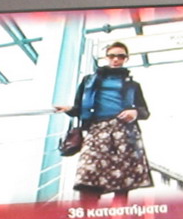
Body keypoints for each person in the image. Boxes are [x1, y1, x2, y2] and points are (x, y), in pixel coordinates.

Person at [56, 42, 153, 207]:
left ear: (126, 59)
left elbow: (145, 112)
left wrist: (135, 112)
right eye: (112, 55)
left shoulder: (133, 85)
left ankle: (117, 216)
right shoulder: (88, 81)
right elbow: (79, 107)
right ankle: (87, 214)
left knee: (122, 178)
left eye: (120, 56)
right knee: (88, 173)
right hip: (97, 129)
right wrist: (69, 109)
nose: (116, 59)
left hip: (124, 131)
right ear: (106, 57)